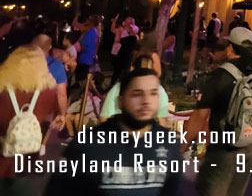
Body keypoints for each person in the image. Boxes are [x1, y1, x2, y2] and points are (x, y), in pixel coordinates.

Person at [44, 68, 187, 195]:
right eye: (137, 94)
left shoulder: (168, 142)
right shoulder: (88, 144)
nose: (146, 101)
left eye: (153, 93)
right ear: (120, 102)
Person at [193, 26, 252, 196]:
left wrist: (182, 145)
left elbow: (199, 116)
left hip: (223, 150)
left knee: (209, 190)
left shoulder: (220, 74)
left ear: (230, 47)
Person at [0, 45, 58, 180]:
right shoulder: (49, 92)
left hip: (3, 157)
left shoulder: (2, 91)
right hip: (27, 158)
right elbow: (48, 118)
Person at [100, 54, 170, 124]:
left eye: (152, 94)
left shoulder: (159, 90)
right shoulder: (118, 88)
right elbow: (104, 119)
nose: (145, 101)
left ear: (132, 68)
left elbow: (162, 121)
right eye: (136, 94)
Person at [32, 33, 68, 134]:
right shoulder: (57, 66)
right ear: (50, 47)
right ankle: (42, 146)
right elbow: (61, 94)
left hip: (21, 107)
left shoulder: (23, 62)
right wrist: (62, 114)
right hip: (43, 111)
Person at [73, 14, 102, 88]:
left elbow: (83, 46)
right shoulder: (95, 32)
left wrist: (73, 47)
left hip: (85, 59)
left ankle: (81, 96)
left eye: (89, 19)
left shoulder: (91, 32)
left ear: (91, 22)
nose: (87, 20)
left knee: (81, 80)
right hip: (88, 58)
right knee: (82, 79)